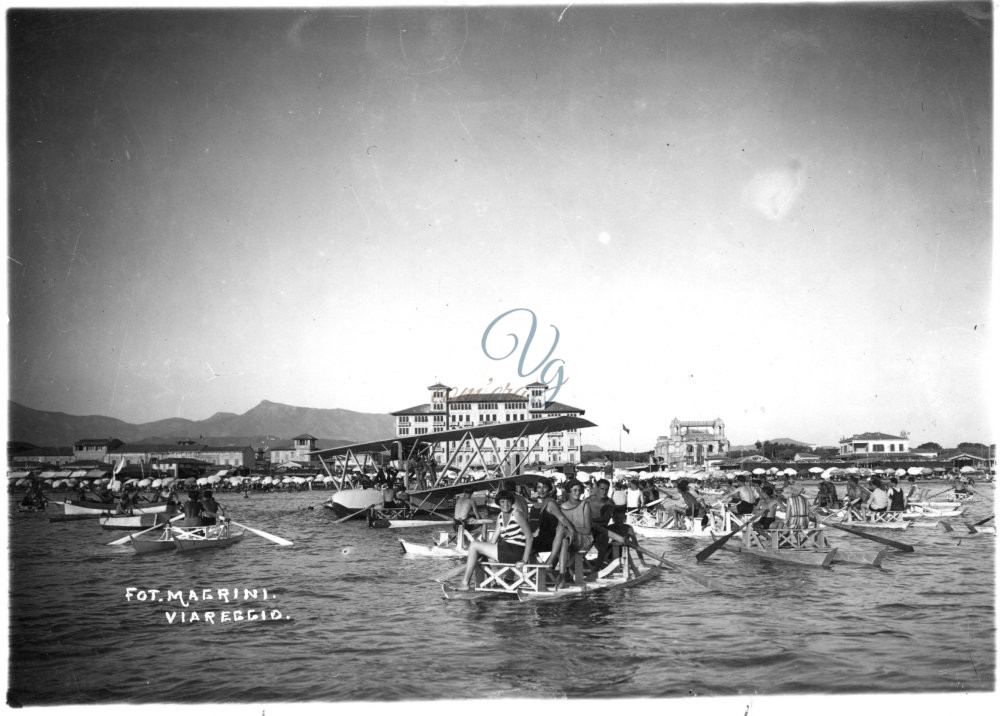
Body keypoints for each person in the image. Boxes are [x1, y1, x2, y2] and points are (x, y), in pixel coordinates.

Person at [456, 490, 533, 591]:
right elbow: (493, 541)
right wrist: (481, 550)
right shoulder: (500, 516)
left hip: (515, 551)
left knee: (474, 545)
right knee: (480, 553)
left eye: (508, 501)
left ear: (512, 502)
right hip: (507, 550)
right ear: (498, 503)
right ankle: (491, 581)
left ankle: (465, 583)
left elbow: (529, 537)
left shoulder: (517, 514)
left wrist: (524, 559)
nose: (505, 504)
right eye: (502, 502)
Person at [531, 478, 576, 568]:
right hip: (544, 537)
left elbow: (562, 519)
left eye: (544, 487)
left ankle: (536, 573)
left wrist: (572, 531)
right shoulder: (541, 504)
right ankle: (536, 572)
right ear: (536, 490)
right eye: (539, 487)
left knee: (523, 546)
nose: (541, 490)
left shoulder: (550, 503)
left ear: (550, 489)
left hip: (549, 539)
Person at [555, 480, 593, 585]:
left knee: (564, 537)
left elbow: (587, 530)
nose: (577, 493)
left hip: (584, 538)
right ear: (569, 492)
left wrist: (570, 529)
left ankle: (561, 572)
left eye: (579, 491)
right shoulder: (562, 507)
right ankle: (563, 573)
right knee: (564, 539)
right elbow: (560, 526)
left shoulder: (585, 505)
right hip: (567, 539)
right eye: (574, 490)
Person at [585, 478, 615, 565]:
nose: (604, 492)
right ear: (597, 488)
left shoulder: (609, 503)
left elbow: (605, 519)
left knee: (602, 549)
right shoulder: (588, 500)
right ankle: (576, 565)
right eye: (602, 489)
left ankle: (596, 569)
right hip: (588, 530)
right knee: (582, 548)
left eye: (606, 490)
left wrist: (590, 521)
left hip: (601, 530)